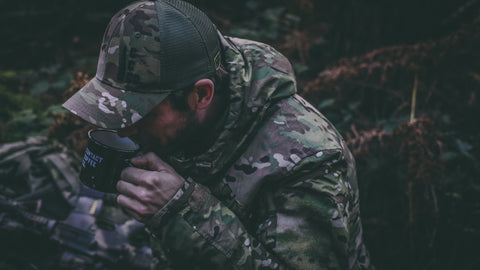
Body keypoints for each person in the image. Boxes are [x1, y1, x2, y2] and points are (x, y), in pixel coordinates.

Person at [62, 0, 373, 269]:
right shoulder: (185, 100)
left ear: (201, 95)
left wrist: (180, 212)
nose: (124, 129)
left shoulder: (306, 161)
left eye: (139, 113)